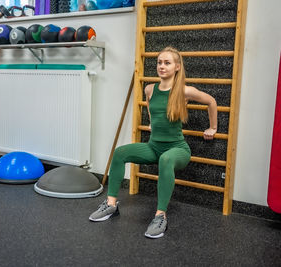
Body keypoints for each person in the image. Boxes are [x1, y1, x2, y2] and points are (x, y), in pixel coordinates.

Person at [89, 46, 218, 239]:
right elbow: (150, 105)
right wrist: (152, 122)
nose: (162, 66)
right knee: (120, 152)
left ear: (177, 67)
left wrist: (213, 128)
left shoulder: (184, 90)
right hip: (153, 146)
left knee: (166, 159)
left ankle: (160, 216)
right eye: (159, 62)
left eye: (167, 63)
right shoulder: (150, 88)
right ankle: (111, 204)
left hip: (177, 149)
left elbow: (211, 102)